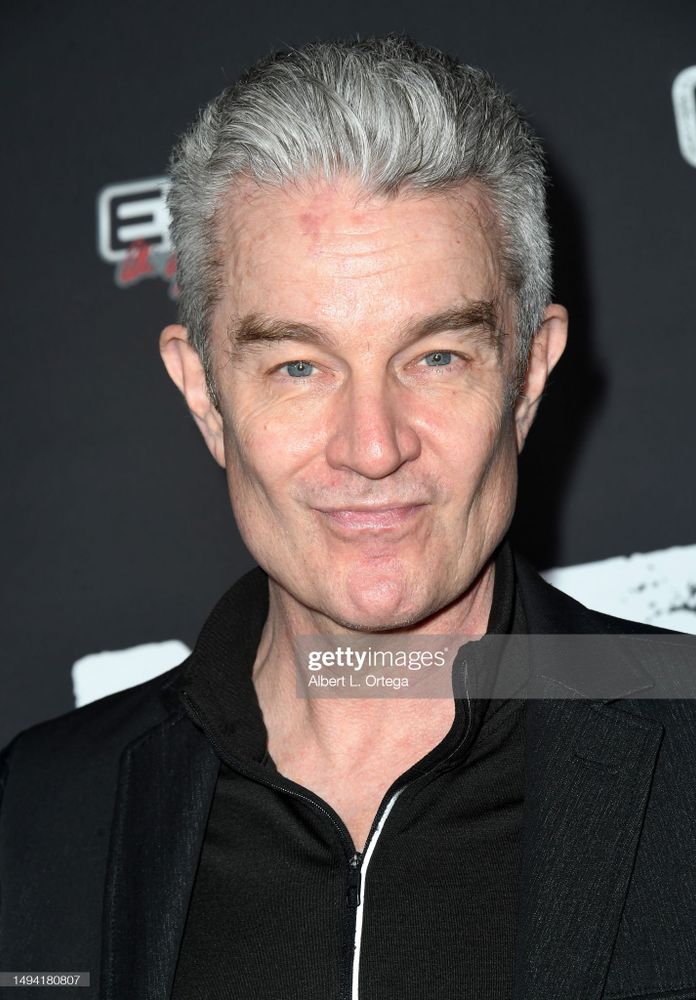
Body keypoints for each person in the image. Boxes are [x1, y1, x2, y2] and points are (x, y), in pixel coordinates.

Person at [2, 33, 696, 1000]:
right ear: (204, 396)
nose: (372, 448)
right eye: (298, 366)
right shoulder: (38, 813)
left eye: (437, 358)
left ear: (529, 376)